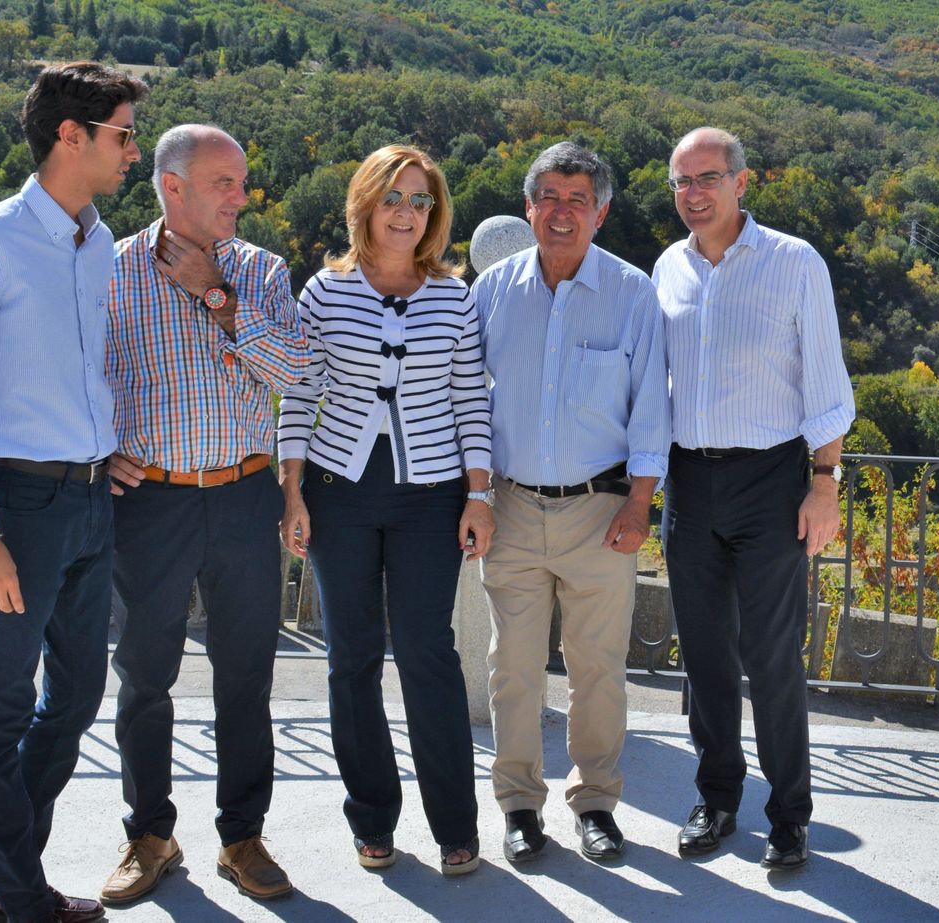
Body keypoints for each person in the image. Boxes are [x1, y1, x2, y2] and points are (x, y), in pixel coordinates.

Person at [0, 61, 147, 923]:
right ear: (70, 137)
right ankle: (18, 894)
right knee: (3, 705)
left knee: (80, 694)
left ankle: (0, 871)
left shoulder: (97, 244)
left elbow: (87, 373)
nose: (130, 153)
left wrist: (107, 448)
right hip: (17, 511)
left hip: (92, 503)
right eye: (122, 136)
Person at [96, 124, 312, 905]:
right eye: (225, 182)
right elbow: (80, 373)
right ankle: (149, 834)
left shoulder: (259, 269)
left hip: (246, 492)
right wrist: (97, 449)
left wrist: (214, 297)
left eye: (243, 182)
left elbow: (298, 369)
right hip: (147, 500)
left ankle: (241, 836)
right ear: (172, 186)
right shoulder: (110, 267)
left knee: (246, 677)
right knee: (145, 677)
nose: (241, 197)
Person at [277, 144, 494, 876]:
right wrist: (292, 489)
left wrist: (480, 493)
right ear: (365, 203)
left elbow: (471, 399)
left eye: (421, 200)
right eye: (394, 198)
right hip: (340, 490)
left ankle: (455, 826)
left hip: (431, 497)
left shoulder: (453, 295)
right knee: (352, 660)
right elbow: (300, 393)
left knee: (429, 655)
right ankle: (371, 819)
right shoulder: (324, 290)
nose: (407, 213)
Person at [652, 127, 855, 870]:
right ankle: (717, 798)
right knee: (703, 655)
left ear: (743, 182)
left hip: (772, 480)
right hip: (688, 481)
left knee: (772, 658)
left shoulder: (795, 262)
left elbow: (827, 382)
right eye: (681, 182)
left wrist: (824, 480)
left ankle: (790, 813)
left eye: (707, 177)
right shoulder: (666, 268)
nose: (693, 194)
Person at [472, 141, 670, 864]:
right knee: (513, 667)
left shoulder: (632, 292)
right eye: (548, 197)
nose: (561, 213)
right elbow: (468, 402)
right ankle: (520, 805)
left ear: (602, 211)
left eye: (577, 199)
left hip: (601, 509)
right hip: (513, 505)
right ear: (528, 208)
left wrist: (639, 504)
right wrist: (475, 495)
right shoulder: (492, 291)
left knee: (597, 668)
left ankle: (596, 803)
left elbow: (652, 409)